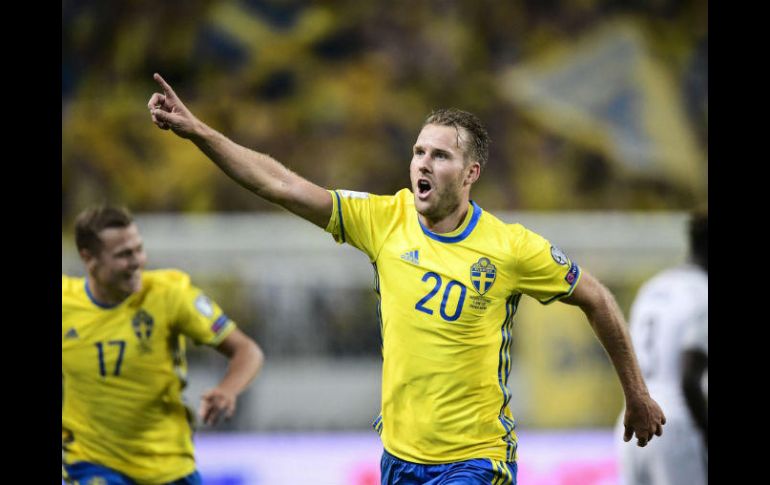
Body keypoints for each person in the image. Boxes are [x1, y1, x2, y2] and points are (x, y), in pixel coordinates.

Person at [147, 73, 665, 485]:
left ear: (470, 173)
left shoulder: (511, 247)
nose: (423, 163)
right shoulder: (383, 220)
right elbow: (279, 184)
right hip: (399, 458)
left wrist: (636, 393)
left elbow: (597, 298)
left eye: (440, 155)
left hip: (476, 459)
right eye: (419, 151)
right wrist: (201, 133)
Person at [62, 205, 265, 485]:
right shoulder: (66, 303)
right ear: (88, 258)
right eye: (124, 254)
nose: (137, 261)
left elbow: (247, 351)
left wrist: (227, 390)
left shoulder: (170, 295)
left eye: (139, 249)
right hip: (91, 461)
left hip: (168, 464)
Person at [616, 211, 707, 485]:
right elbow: (689, 378)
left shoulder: (653, 287)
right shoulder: (703, 293)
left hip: (632, 420)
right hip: (677, 425)